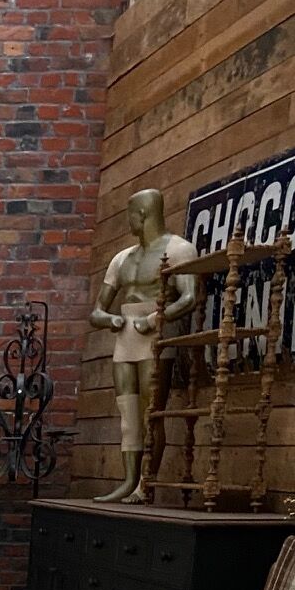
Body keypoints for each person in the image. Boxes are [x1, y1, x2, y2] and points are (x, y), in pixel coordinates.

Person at [89, 187, 196, 503]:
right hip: (125, 336)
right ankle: (128, 480)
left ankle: (145, 483)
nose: (128, 221)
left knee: (152, 413)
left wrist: (152, 319)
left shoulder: (180, 249)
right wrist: (110, 320)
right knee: (128, 414)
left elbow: (189, 298)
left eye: (130, 214)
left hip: (155, 334)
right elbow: (97, 311)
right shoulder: (122, 258)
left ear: (144, 213)